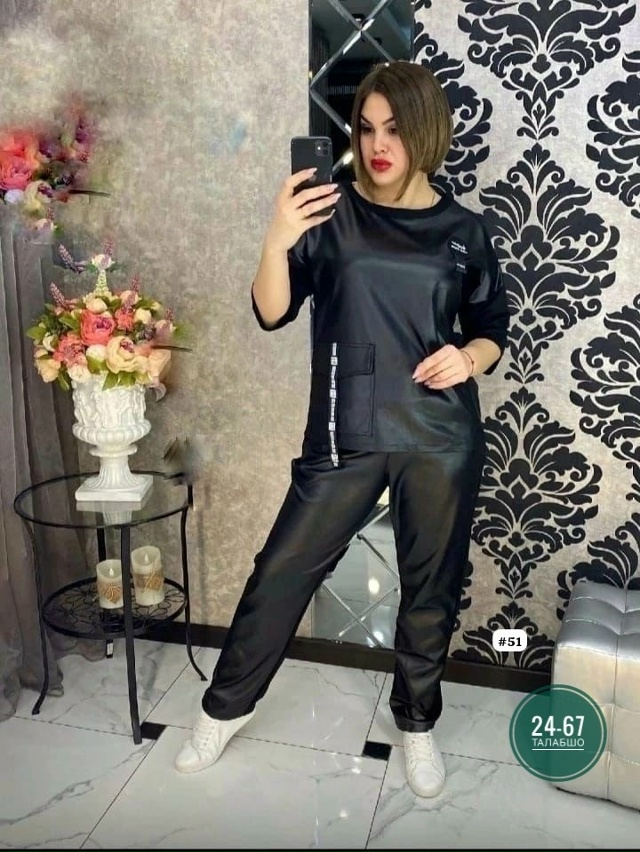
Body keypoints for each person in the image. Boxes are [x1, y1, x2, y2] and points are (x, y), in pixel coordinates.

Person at [175, 60, 509, 798]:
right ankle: (222, 711)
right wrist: (277, 238)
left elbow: (492, 325)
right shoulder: (329, 211)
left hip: (439, 435)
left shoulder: (464, 231)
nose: (378, 144)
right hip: (343, 429)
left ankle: (416, 722)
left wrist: (468, 357)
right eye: (366, 127)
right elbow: (272, 311)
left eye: (395, 129)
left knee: (431, 588)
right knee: (281, 573)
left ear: (427, 132)